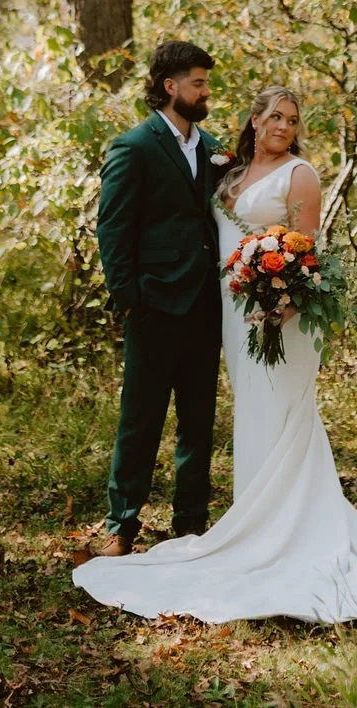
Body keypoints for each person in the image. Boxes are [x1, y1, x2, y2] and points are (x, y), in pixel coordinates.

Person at [74, 85, 357, 623]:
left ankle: (283, 535)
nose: (284, 126)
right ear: (255, 120)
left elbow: (309, 255)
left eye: (293, 119)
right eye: (275, 116)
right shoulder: (227, 171)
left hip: (278, 320)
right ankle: (251, 526)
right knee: (251, 418)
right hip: (231, 316)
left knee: (280, 416)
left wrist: (279, 305)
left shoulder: (300, 175)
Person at [88, 40, 225, 558]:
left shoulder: (210, 146)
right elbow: (113, 229)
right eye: (198, 82)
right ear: (170, 87)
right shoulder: (134, 147)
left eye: (206, 83)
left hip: (206, 307)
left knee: (199, 420)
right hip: (153, 306)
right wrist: (129, 299)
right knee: (140, 418)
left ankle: (191, 524)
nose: (206, 91)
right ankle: (120, 525)